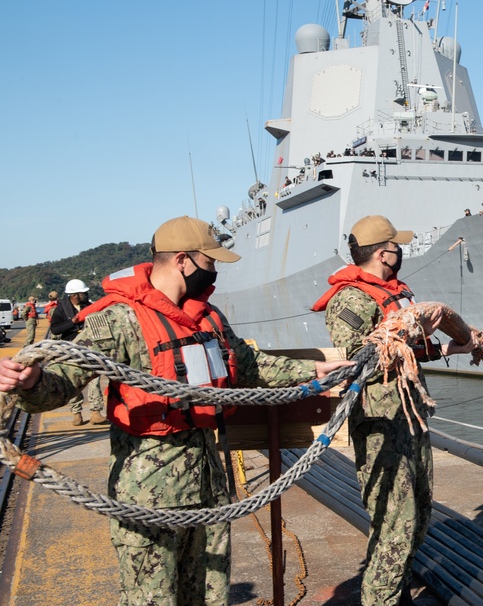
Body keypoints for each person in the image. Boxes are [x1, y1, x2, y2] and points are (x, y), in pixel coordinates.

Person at [0, 216, 352, 605]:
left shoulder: (209, 318)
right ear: (184, 260)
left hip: (210, 486)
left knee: (208, 595)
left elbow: (247, 364)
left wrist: (312, 371)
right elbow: (63, 381)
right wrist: (30, 382)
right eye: (211, 261)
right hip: (150, 492)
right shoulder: (119, 320)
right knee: (152, 598)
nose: (215, 271)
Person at [312, 215, 475, 605]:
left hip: (410, 416)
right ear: (385, 253)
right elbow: (359, 358)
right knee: (394, 522)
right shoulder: (350, 298)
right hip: (381, 421)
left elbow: (411, 351)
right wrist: (413, 328)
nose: (399, 252)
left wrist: (448, 347)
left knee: (418, 515)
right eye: (396, 246)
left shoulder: (397, 291)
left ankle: (392, 589)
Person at [50, 279, 108, 426]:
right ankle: (77, 413)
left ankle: (96, 412)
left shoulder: (89, 306)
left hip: (90, 350)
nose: (86, 294)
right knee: (74, 382)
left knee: (94, 381)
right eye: (83, 293)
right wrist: (72, 322)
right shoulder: (62, 309)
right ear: (75, 295)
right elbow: (55, 329)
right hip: (71, 349)